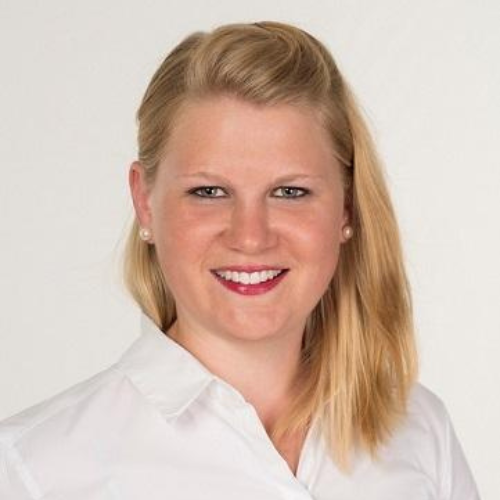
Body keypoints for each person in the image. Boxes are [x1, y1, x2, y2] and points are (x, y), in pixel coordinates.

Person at [0, 21, 480, 499]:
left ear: (347, 208)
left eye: (290, 192)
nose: (250, 237)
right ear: (144, 202)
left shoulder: (419, 432)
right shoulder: (32, 468)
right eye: (209, 192)